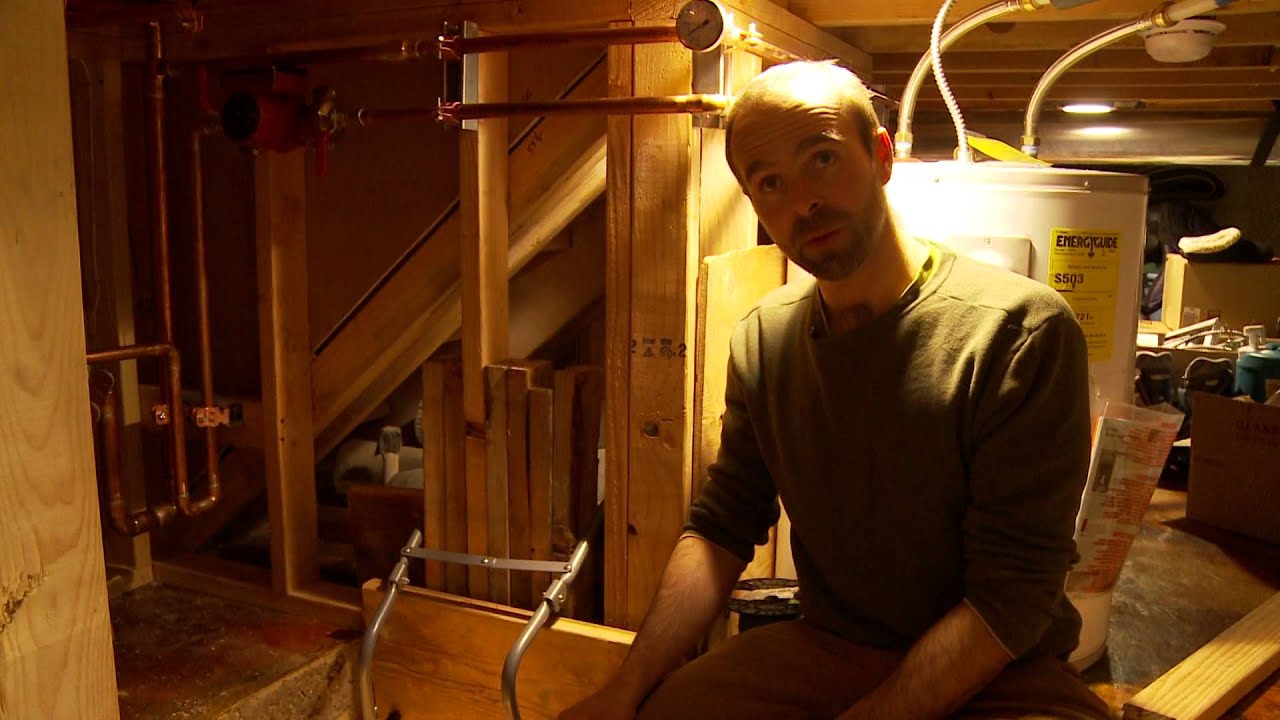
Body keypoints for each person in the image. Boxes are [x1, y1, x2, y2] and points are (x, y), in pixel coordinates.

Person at [560, 61, 1109, 720]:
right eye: (770, 183)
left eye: (821, 159)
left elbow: (1013, 595)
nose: (803, 201)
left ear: (881, 156)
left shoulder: (1019, 331)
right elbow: (720, 527)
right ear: (756, 205)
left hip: (998, 669)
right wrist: (625, 689)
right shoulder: (765, 340)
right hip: (830, 650)